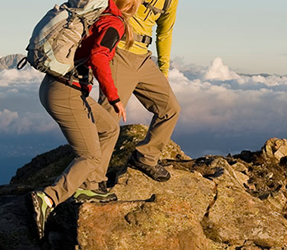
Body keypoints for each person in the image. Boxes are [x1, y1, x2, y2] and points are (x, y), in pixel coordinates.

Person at [29, 0, 140, 239]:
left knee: (109, 128)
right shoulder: (113, 22)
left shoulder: (97, 14)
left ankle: (91, 186)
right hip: (66, 92)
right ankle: (49, 197)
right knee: (88, 155)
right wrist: (114, 97)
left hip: (57, 87)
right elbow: (99, 57)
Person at [101, 0, 179, 182]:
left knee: (170, 109)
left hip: (143, 58)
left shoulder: (170, 1)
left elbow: (165, 33)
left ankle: (146, 157)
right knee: (109, 118)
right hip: (119, 51)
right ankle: (92, 181)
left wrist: (164, 70)